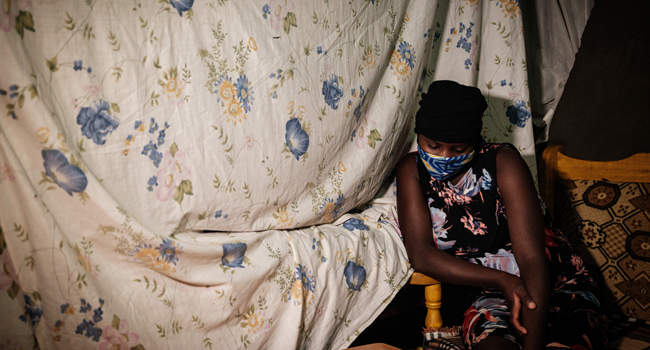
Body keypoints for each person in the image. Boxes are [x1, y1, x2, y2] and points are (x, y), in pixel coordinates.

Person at [395, 80, 608, 350]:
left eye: (459, 149)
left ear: (475, 140)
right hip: (488, 294)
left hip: (557, 285)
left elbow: (532, 259)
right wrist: (501, 280)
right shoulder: (411, 170)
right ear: (419, 135)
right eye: (433, 146)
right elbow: (421, 254)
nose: (445, 156)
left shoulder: (503, 163)